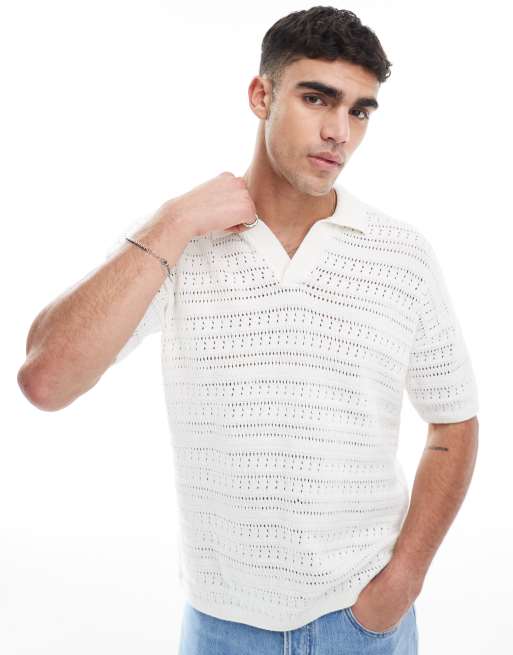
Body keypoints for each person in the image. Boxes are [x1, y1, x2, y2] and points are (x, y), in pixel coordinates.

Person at [18, 6, 479, 654]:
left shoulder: (400, 255)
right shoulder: (180, 244)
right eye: (317, 99)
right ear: (261, 96)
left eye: (359, 111)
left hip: (362, 623)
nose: (339, 131)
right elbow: (46, 380)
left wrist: (402, 580)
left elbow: (453, 421)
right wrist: (172, 223)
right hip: (221, 627)